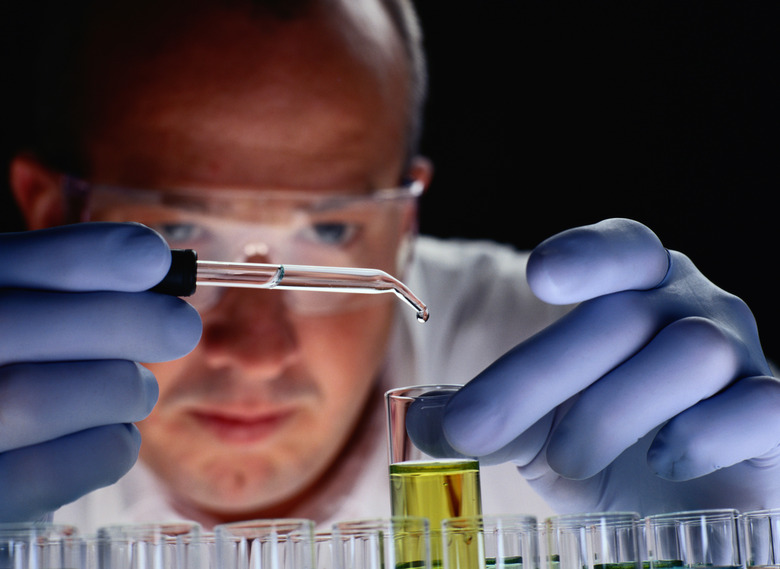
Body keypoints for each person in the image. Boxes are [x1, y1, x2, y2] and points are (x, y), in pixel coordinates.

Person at [1, 0, 778, 532]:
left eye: (331, 227)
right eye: (181, 232)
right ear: (47, 208)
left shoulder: (567, 373)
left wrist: (751, 534)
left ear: (405, 219)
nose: (258, 351)